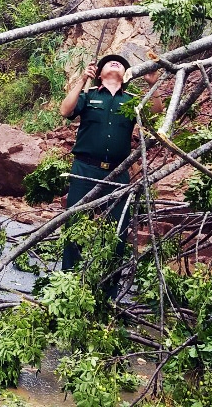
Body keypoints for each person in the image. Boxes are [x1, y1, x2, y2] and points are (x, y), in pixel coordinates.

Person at [58, 53, 137, 272]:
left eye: (121, 64)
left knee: (118, 230)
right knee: (74, 225)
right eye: (109, 63)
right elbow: (66, 111)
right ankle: (69, 281)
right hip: (85, 169)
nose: (116, 63)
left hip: (119, 173)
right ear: (99, 75)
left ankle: (108, 292)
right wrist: (82, 80)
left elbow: (157, 117)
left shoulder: (132, 101)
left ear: (126, 75)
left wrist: (153, 83)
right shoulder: (89, 95)